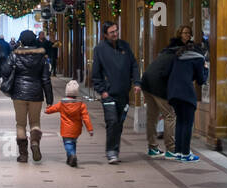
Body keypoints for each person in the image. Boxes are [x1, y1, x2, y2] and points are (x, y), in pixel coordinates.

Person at [0, 28, 54, 162]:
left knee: (20, 124)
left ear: (21, 41)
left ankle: (23, 155)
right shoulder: (41, 57)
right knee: (35, 122)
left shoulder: (14, 55)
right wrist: (49, 99)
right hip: (36, 93)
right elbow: (46, 79)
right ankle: (35, 144)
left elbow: (5, 71)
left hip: (18, 93)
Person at [91, 21, 140, 164]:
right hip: (109, 93)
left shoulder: (125, 46)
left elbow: (134, 65)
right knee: (112, 121)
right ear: (105, 35)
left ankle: (115, 150)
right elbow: (96, 72)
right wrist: (102, 90)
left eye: (116, 31)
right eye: (112, 32)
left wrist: (137, 82)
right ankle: (111, 152)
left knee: (119, 123)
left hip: (123, 92)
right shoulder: (100, 49)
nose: (115, 34)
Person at [140, 32, 183, 158]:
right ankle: (171, 149)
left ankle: (152, 148)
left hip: (146, 82)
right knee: (170, 115)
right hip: (158, 86)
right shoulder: (176, 57)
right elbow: (166, 74)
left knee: (152, 116)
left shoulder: (165, 53)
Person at [167, 35, 209, 162]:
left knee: (180, 121)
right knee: (187, 123)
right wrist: (205, 69)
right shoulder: (198, 59)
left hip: (173, 93)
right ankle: (186, 153)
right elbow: (201, 80)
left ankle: (179, 152)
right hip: (186, 93)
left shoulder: (179, 56)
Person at [45, 79, 93, 167]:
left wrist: (47, 110)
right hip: (76, 129)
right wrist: (90, 129)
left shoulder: (62, 104)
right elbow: (86, 117)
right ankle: (70, 158)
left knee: (68, 143)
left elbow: (53, 109)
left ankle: (71, 155)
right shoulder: (81, 105)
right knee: (73, 142)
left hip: (66, 129)